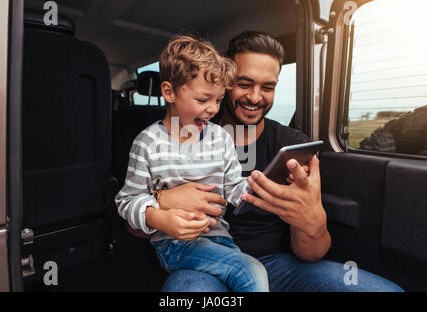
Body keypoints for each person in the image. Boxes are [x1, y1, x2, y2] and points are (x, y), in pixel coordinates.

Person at [140, 30, 404, 292]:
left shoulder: (294, 146)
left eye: (268, 87)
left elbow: (311, 254)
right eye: (244, 84)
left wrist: (311, 220)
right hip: (198, 262)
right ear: (225, 81)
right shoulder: (183, 131)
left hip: (274, 265)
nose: (255, 97)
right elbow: (133, 226)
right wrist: (162, 199)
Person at [115, 35, 269, 292]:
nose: (212, 109)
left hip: (222, 239)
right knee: (251, 272)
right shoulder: (148, 142)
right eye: (202, 100)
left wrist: (257, 187)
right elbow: (127, 200)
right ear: (169, 92)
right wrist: (158, 219)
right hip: (174, 243)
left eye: (218, 100)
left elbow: (233, 188)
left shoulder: (220, 137)